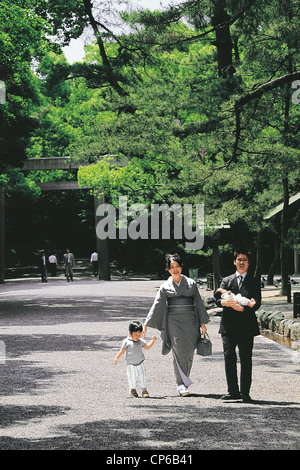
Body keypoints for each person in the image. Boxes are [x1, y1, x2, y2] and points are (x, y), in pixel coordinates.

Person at [143, 253, 210, 397]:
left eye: (177, 266)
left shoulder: (191, 284)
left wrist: (202, 323)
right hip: (174, 322)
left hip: (191, 322)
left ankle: (184, 382)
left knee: (188, 353)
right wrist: (147, 323)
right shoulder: (165, 287)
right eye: (172, 267)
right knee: (179, 352)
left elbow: (198, 303)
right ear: (168, 269)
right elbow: (157, 305)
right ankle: (180, 384)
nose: (175, 269)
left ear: (181, 267)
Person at [214, 248, 261, 403]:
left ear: (249, 263)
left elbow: (257, 303)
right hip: (228, 325)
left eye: (245, 260)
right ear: (234, 262)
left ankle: (245, 392)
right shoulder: (226, 280)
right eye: (239, 259)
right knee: (229, 357)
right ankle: (232, 391)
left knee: (246, 358)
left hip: (246, 326)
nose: (241, 262)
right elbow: (217, 298)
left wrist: (241, 307)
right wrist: (224, 302)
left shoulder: (254, 281)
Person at [114, 321, 157, 398]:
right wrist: (117, 357)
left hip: (140, 362)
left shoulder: (140, 341)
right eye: (135, 334)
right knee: (132, 377)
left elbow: (147, 347)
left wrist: (152, 341)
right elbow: (122, 350)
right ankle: (132, 389)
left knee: (142, 376)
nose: (137, 336)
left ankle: (144, 390)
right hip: (130, 364)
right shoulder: (126, 342)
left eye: (139, 334)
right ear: (130, 333)